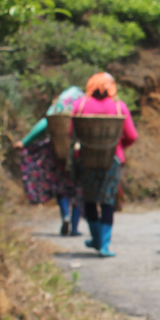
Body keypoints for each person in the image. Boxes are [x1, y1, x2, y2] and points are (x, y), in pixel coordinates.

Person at [73, 73, 138, 258]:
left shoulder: (80, 106)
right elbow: (132, 136)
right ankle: (104, 246)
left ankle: (96, 238)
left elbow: (71, 134)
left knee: (90, 199)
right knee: (108, 200)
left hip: (86, 158)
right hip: (112, 159)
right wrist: (118, 147)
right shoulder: (119, 107)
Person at [16, 86, 84, 236]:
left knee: (61, 188)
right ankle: (74, 227)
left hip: (57, 154)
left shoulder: (58, 108)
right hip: (78, 155)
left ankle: (65, 216)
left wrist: (25, 142)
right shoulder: (82, 106)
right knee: (78, 190)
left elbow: (44, 124)